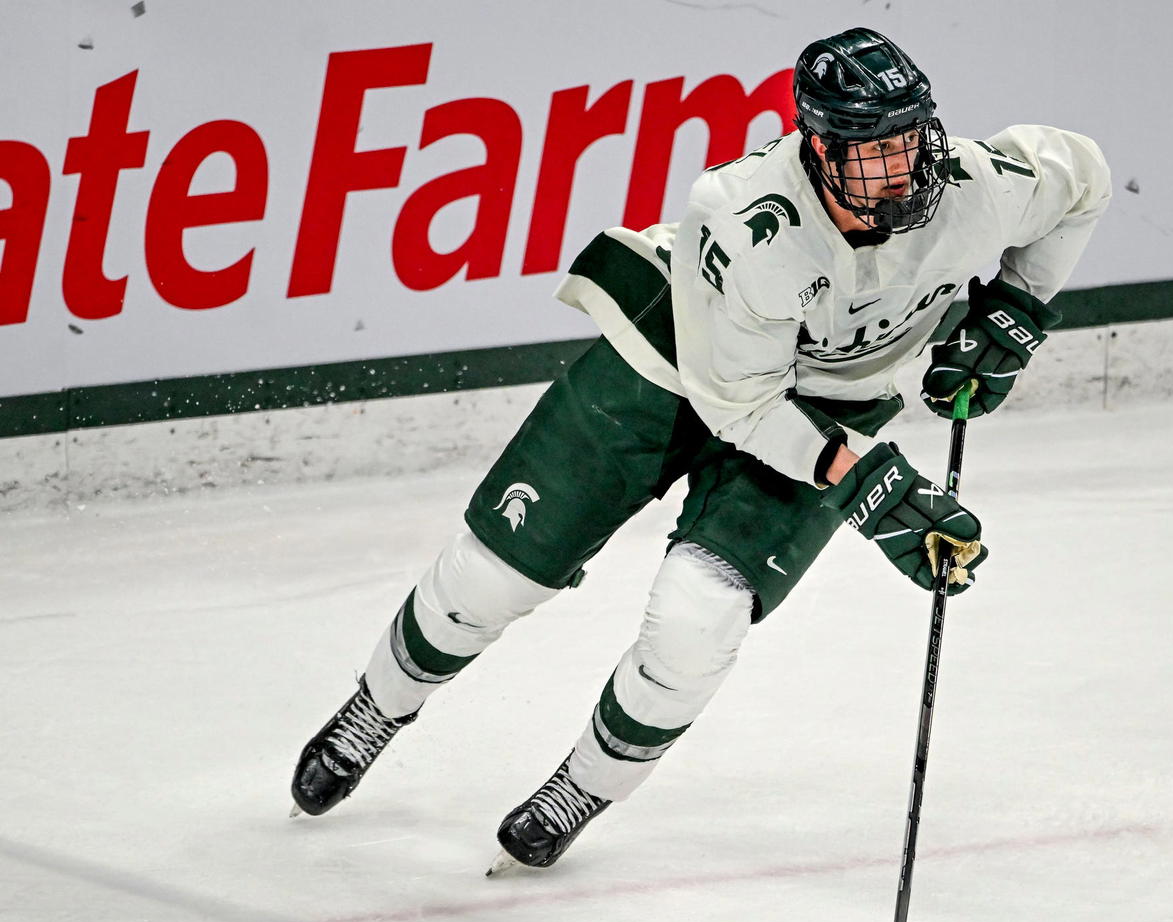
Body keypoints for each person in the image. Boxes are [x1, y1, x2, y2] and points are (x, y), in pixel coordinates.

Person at [289, 26, 1112, 873]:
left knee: (698, 621)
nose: (902, 169)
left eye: (911, 140)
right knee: (492, 574)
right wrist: (861, 481)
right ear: (819, 149)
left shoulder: (974, 186)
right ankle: (376, 710)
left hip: (830, 404)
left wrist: (1019, 308)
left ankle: (583, 785)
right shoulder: (751, 219)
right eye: (874, 152)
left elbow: (1084, 176)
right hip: (672, 363)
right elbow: (743, 405)